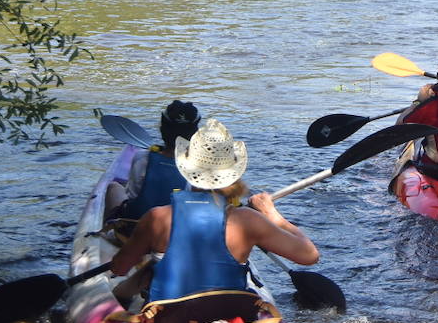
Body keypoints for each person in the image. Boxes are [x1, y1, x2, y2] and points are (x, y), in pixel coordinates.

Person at [109, 119, 319, 301]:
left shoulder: (158, 218)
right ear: (233, 173)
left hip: (170, 319)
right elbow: (309, 256)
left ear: (188, 170)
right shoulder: (248, 220)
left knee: (128, 286)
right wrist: (272, 214)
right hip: (227, 317)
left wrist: (148, 255)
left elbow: (119, 268)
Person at [105, 100, 200, 220]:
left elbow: (132, 195)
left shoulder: (142, 157)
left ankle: (108, 231)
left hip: (135, 224)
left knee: (114, 187)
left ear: (162, 130)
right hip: (177, 227)